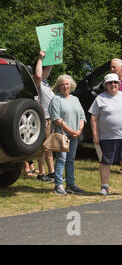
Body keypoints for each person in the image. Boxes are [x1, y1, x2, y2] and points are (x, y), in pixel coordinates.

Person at [88, 73, 122, 196]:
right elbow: (93, 118)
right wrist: (95, 134)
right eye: (110, 83)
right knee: (105, 162)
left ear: (119, 84)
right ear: (106, 85)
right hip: (106, 137)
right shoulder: (100, 98)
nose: (113, 85)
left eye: (115, 82)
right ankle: (104, 187)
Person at [49, 74, 86, 195]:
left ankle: (70, 185)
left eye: (67, 84)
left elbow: (82, 117)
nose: (65, 86)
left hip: (75, 134)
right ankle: (58, 185)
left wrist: (79, 130)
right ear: (58, 86)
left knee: (71, 160)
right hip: (62, 134)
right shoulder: (56, 99)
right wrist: (70, 131)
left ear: (71, 85)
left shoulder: (75, 99)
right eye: (62, 84)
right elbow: (57, 119)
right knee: (61, 159)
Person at [33, 50, 55, 182]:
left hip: (49, 117)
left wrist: (51, 60)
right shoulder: (35, 82)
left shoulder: (44, 82)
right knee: (44, 147)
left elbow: (45, 73)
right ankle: (43, 173)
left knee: (48, 147)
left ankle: (50, 172)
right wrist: (40, 58)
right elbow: (39, 75)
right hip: (42, 118)